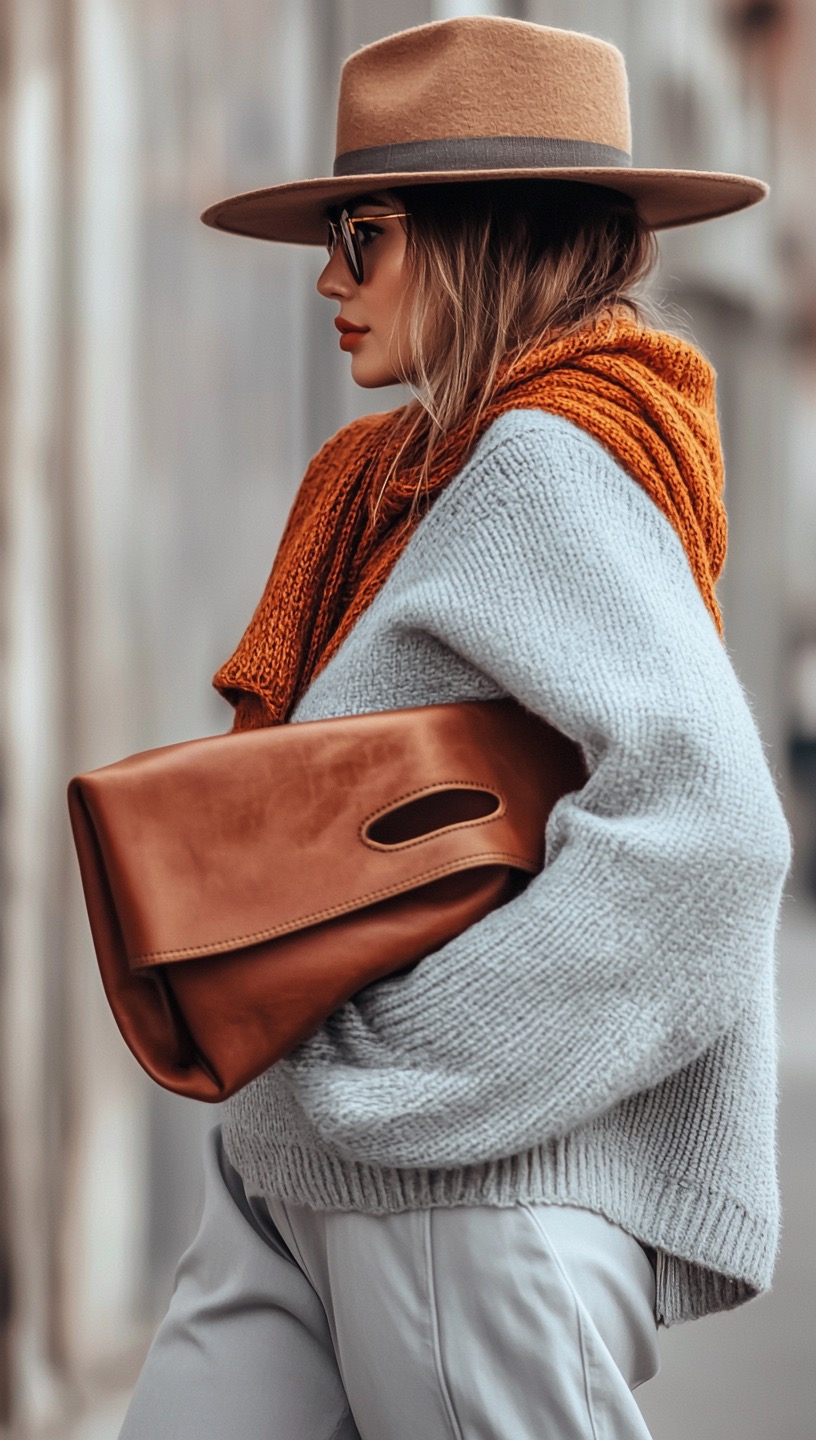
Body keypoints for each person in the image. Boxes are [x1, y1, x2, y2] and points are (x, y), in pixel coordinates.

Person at [119, 16, 792, 1440]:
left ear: (480, 236)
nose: (327, 277)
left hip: (452, 1200)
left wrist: (407, 1073)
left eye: (361, 236)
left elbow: (713, 831)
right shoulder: (415, 475)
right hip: (292, 1181)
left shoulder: (543, 465)